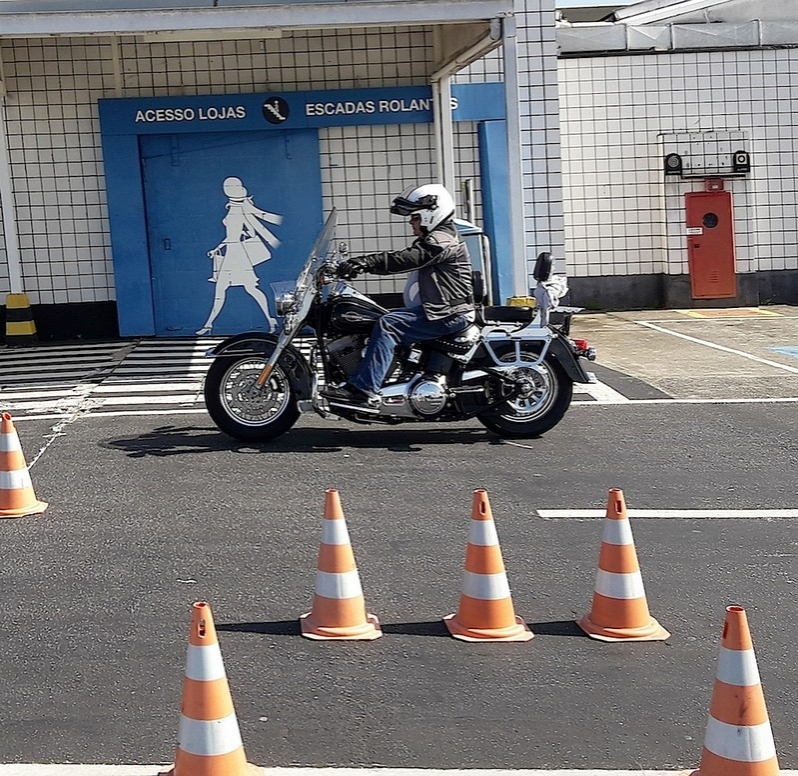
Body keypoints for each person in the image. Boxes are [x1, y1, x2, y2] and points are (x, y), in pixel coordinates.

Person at [321, 183, 474, 412]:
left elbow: (408, 258)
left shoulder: (443, 240)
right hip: (440, 310)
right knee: (383, 317)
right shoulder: (439, 238)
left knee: (388, 325)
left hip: (449, 314)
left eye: (414, 217)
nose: (411, 222)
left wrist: (365, 263)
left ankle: (363, 390)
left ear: (430, 213)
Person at [196, 176, 283, 335]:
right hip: (235, 252)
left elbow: (235, 235)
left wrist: (217, 247)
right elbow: (246, 232)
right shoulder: (235, 209)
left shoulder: (236, 210)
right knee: (249, 288)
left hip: (235, 253)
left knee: (223, 289)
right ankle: (270, 320)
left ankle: (208, 325)